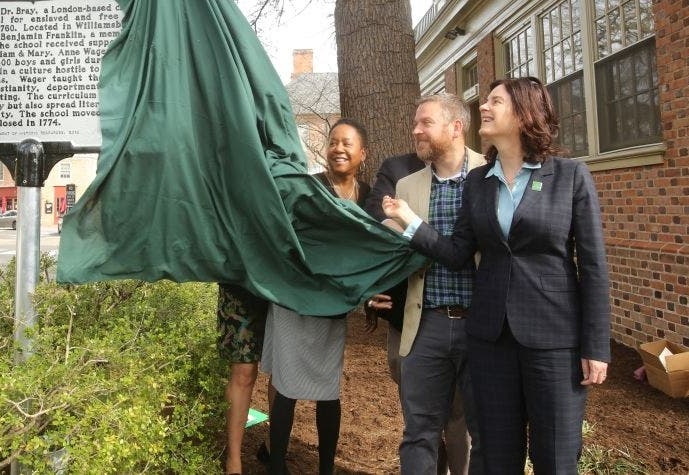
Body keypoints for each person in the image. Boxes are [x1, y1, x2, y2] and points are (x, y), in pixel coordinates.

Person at [383, 77, 610, 474]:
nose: (483, 108)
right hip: (491, 342)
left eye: (495, 101)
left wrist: (596, 346)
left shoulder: (570, 176)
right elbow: (456, 252)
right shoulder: (478, 182)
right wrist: (411, 224)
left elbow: (592, 267)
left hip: (554, 342)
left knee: (555, 458)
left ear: (525, 113)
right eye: (484, 101)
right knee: (497, 457)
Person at [373, 94, 485, 474]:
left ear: (457, 127)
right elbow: (394, 253)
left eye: (426, 122)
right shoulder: (407, 187)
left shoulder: (492, 174)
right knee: (419, 431)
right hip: (426, 324)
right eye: (415, 122)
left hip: (483, 326)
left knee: (481, 431)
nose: (415, 129)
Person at [261, 118, 370, 475]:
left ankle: (326, 468)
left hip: (332, 305)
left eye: (347, 144)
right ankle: (276, 465)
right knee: (288, 385)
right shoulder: (308, 188)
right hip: (296, 298)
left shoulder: (367, 195)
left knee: (328, 387)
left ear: (362, 154)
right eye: (333, 142)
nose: (338, 148)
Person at [217, 282, 269, 475]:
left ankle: (274, 450)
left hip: (283, 282)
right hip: (240, 280)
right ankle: (233, 460)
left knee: (282, 369)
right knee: (243, 371)